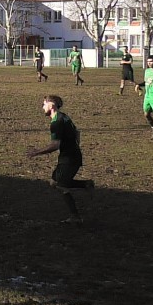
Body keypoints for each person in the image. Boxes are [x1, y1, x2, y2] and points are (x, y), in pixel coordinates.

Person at [25, 95, 95, 224]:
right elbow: (77, 132)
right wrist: (74, 145)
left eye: (44, 104)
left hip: (69, 158)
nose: (42, 107)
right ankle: (86, 184)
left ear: (51, 106)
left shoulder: (56, 123)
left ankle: (75, 217)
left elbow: (55, 145)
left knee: (62, 186)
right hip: (69, 155)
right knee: (54, 182)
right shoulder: (64, 116)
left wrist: (36, 152)